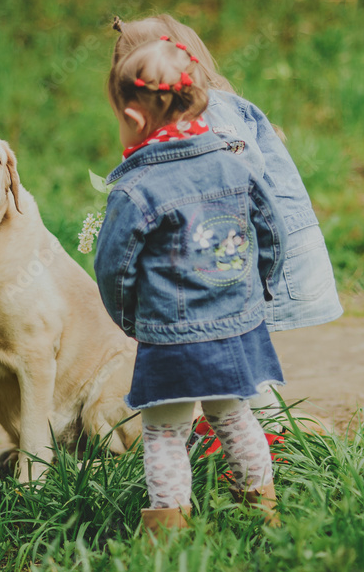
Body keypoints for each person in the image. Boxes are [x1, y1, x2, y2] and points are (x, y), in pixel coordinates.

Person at [94, 36, 287, 533]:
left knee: (162, 433)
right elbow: (272, 232)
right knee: (238, 417)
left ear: (134, 119)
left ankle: (169, 533)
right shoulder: (233, 164)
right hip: (235, 328)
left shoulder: (136, 190)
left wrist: (130, 320)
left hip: (171, 340)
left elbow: (115, 269)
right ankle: (264, 511)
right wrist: (255, 293)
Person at [111, 14, 342, 426]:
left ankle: (271, 432)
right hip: (234, 250)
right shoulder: (192, 114)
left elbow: (236, 179)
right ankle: (252, 436)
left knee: (236, 345)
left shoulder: (214, 112)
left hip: (245, 252)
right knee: (234, 347)